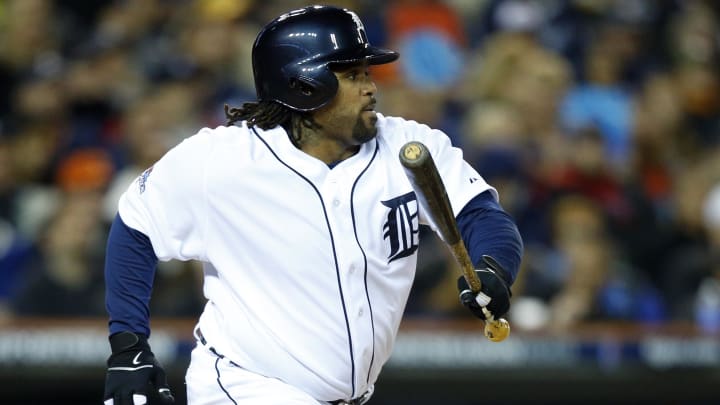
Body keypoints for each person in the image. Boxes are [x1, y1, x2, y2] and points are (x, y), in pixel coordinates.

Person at [103, 5, 523, 405]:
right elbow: (135, 226)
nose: (371, 86)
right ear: (303, 86)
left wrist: (494, 267)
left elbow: (481, 215)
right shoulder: (221, 160)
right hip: (245, 385)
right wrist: (129, 345)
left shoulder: (409, 145)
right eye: (353, 75)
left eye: (367, 72)